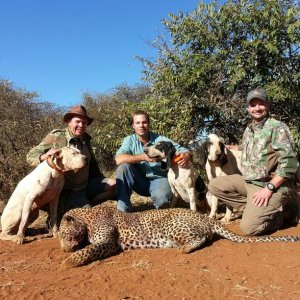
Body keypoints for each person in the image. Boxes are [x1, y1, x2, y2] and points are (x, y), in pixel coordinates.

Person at [208, 88, 299, 235]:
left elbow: (290, 163)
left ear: (268, 105)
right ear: (248, 108)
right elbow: (248, 147)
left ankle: (278, 217)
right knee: (214, 185)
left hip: (271, 185)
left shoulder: (277, 127)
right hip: (249, 181)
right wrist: (232, 147)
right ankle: (257, 210)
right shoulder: (249, 128)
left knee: (248, 229)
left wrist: (269, 188)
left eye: (261, 103)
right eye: (253, 105)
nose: (257, 108)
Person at [27, 105, 116, 218]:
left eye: (84, 123)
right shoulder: (56, 136)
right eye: (77, 121)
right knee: (85, 221)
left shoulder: (86, 139)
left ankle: (82, 206)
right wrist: (45, 156)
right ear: (69, 121)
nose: (81, 125)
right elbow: (31, 155)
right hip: (65, 190)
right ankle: (69, 210)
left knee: (114, 186)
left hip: (85, 185)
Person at [115, 110, 192, 212]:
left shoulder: (160, 139)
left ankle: (163, 203)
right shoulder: (129, 140)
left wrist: (186, 155)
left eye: (144, 122)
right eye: (137, 123)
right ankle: (123, 210)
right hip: (139, 182)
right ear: (133, 126)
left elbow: (185, 151)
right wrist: (143, 157)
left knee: (162, 202)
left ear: (149, 124)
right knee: (123, 168)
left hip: (159, 179)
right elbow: (118, 159)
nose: (141, 125)